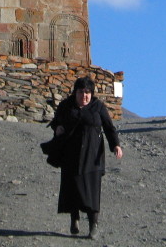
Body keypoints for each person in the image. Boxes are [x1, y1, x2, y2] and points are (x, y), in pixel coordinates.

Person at [50, 76, 123, 238]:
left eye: (88, 92)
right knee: (73, 187)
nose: (85, 96)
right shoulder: (66, 106)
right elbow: (56, 122)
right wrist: (58, 128)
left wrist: (115, 145)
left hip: (93, 155)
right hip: (71, 154)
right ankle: (74, 218)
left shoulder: (98, 107)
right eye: (81, 92)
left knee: (92, 190)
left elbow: (109, 127)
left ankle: (93, 225)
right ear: (75, 92)